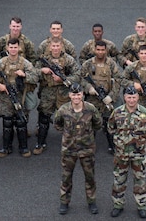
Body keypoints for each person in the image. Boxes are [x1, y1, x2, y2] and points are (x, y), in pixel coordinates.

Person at [53, 83, 103, 215]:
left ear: (82, 94)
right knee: (66, 178)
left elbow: (98, 124)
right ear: (70, 95)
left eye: (79, 94)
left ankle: (92, 202)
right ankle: (64, 203)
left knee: (90, 177)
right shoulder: (63, 110)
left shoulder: (90, 109)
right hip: (69, 150)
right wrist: (68, 135)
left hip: (87, 150)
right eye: (74, 94)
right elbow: (57, 124)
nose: (76, 97)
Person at [107, 86, 146, 218]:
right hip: (121, 154)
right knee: (119, 180)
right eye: (129, 97)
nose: (131, 100)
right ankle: (118, 205)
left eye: (134, 97)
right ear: (124, 98)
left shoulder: (145, 112)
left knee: (140, 181)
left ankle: (141, 206)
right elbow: (111, 128)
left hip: (138, 155)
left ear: (138, 97)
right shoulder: (116, 112)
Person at [0, 38, 39, 157]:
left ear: (19, 48)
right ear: (7, 48)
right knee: (7, 122)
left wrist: (25, 75)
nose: (13, 49)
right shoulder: (1, 62)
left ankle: (24, 147)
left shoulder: (25, 63)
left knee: (21, 122)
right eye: (11, 47)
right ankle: (6, 147)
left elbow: (36, 77)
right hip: (6, 97)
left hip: (20, 97)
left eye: (15, 47)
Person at [36, 39, 80, 155]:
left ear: (61, 47)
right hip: (48, 92)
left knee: (68, 118)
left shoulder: (68, 59)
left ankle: (70, 144)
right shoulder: (44, 59)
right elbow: (33, 73)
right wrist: (42, 70)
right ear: (50, 47)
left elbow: (77, 75)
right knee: (43, 117)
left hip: (64, 92)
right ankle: (41, 143)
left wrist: (64, 79)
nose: (55, 48)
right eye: (53, 46)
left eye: (58, 46)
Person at [80, 40, 123, 155]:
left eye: (102, 50)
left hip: (106, 98)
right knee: (90, 123)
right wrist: (89, 88)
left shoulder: (111, 64)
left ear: (106, 50)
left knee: (109, 122)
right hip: (92, 99)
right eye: (98, 49)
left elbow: (118, 80)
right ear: (94, 50)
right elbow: (81, 78)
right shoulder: (88, 64)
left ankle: (112, 146)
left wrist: (111, 96)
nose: (100, 52)